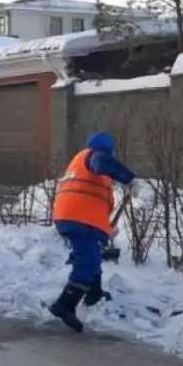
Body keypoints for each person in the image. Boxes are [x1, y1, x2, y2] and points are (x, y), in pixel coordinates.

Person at [49, 132, 135, 333]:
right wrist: (128, 179)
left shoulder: (85, 167)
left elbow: (93, 202)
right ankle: (65, 304)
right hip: (78, 219)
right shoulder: (94, 157)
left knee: (92, 256)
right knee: (87, 261)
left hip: (78, 218)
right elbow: (102, 162)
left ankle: (93, 293)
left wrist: (106, 229)